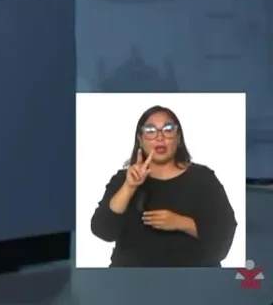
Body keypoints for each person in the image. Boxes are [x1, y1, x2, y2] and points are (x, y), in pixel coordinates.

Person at [89, 105, 237, 267]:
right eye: (150, 130)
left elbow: (223, 237)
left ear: (178, 138)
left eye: (168, 129)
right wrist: (129, 187)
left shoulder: (203, 178)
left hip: (193, 277)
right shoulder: (123, 179)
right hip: (132, 278)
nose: (160, 137)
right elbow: (103, 231)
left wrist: (181, 222)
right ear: (140, 139)